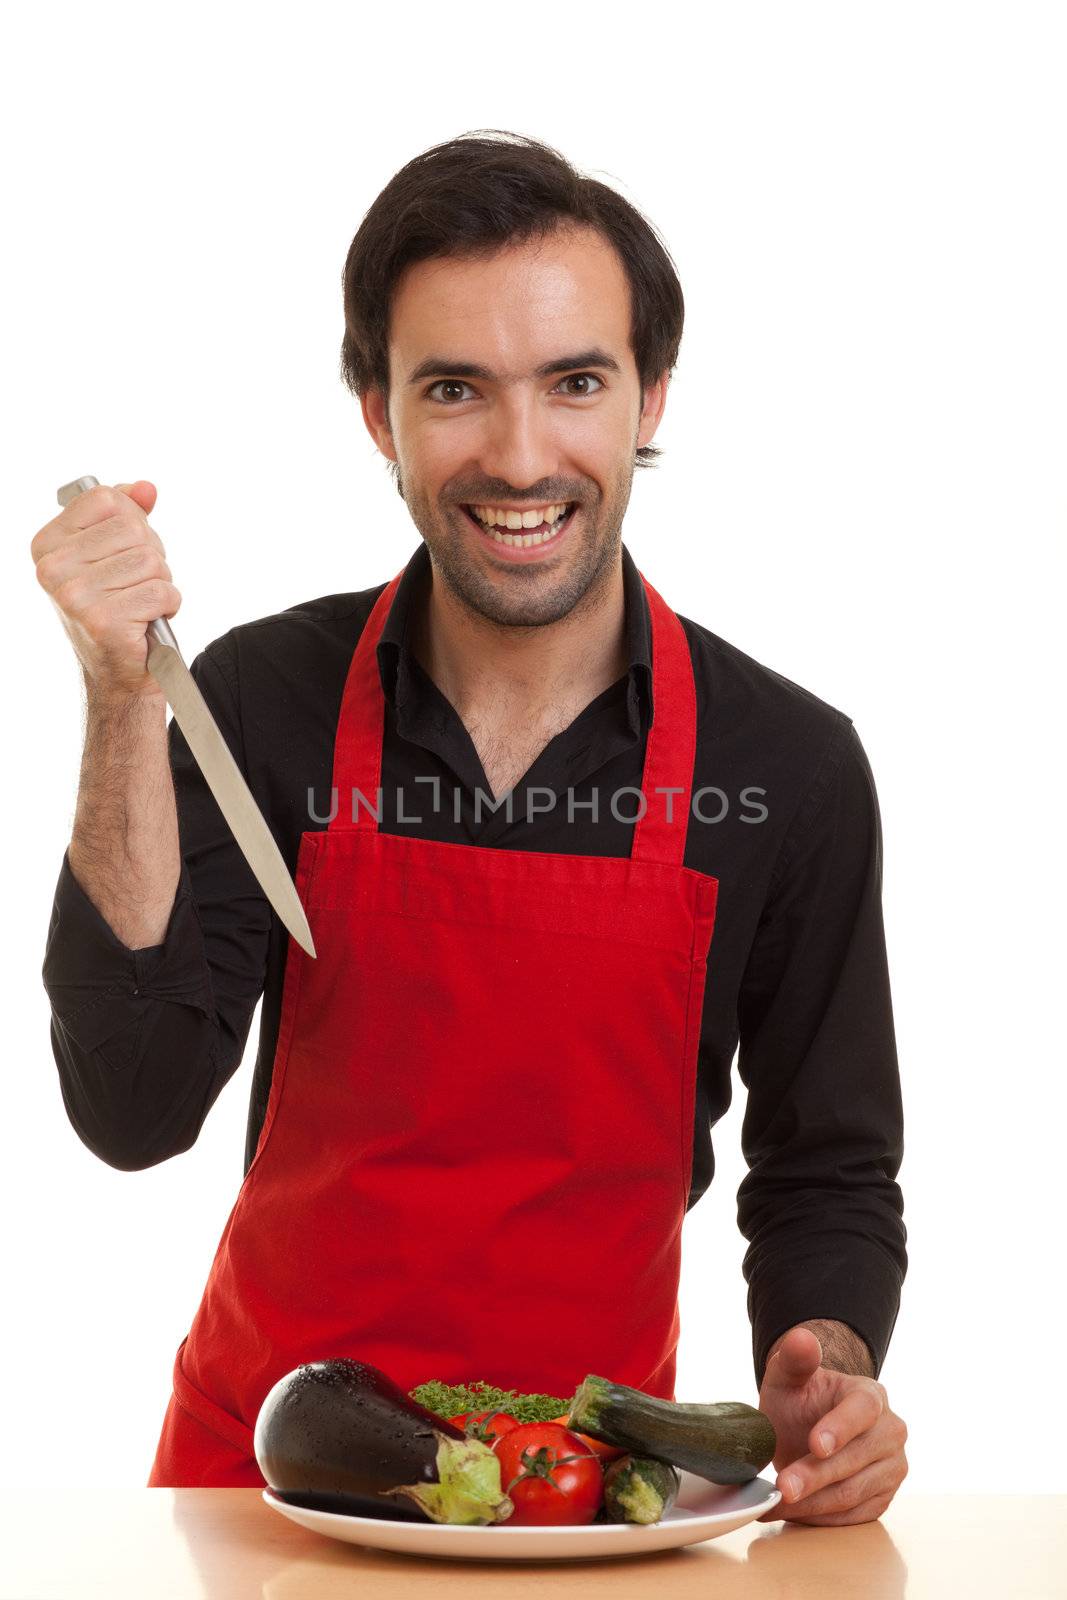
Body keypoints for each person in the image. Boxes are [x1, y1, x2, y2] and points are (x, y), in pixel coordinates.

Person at [33, 131, 908, 1525]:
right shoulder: (259, 700)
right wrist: (121, 694)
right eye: (455, 388)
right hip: (262, 1484)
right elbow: (130, 1110)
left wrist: (832, 1368)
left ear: (649, 398)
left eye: (575, 383)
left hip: (584, 1502)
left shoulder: (786, 766)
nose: (519, 455)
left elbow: (827, 1167)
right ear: (380, 412)